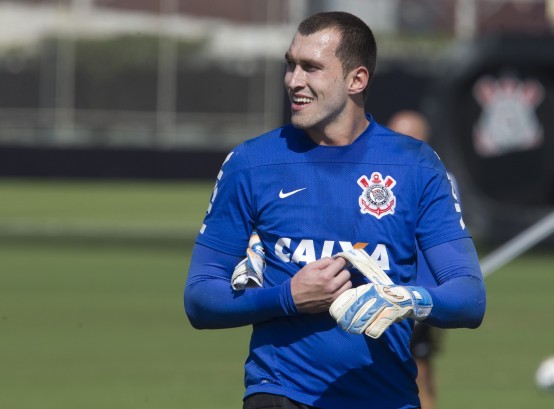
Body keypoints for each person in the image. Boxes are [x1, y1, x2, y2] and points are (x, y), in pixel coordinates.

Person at [184, 11, 486, 409]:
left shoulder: (416, 165)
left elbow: (469, 297)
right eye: (290, 65)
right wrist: (287, 297)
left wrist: (407, 299)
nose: (294, 81)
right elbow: (200, 297)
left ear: (356, 80)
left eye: (311, 68)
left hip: (387, 398)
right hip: (280, 394)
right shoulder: (251, 163)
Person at [387, 110, 451, 409]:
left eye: (410, 137)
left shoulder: (437, 179)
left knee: (418, 370)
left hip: (417, 291)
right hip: (375, 286)